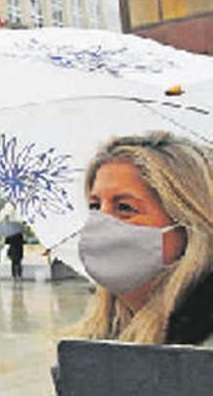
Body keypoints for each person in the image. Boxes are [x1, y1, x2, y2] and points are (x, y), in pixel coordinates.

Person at [71, 132, 213, 345]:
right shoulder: (96, 337)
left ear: (187, 225)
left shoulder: (202, 348)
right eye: (95, 206)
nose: (101, 222)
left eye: (125, 208)